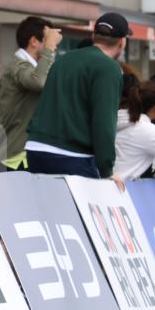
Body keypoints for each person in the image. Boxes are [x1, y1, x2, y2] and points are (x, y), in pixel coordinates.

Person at [25, 12, 129, 188]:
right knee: (78, 215)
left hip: (36, 149)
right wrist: (107, 170)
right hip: (71, 154)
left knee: (48, 213)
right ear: (122, 41)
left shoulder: (64, 60)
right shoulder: (109, 68)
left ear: (93, 35)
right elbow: (104, 121)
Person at [0, 16, 62, 170]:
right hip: (13, 158)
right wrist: (48, 50)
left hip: (21, 155)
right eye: (47, 40)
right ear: (34, 41)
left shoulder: (32, 67)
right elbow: (37, 81)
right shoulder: (18, 66)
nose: (53, 46)